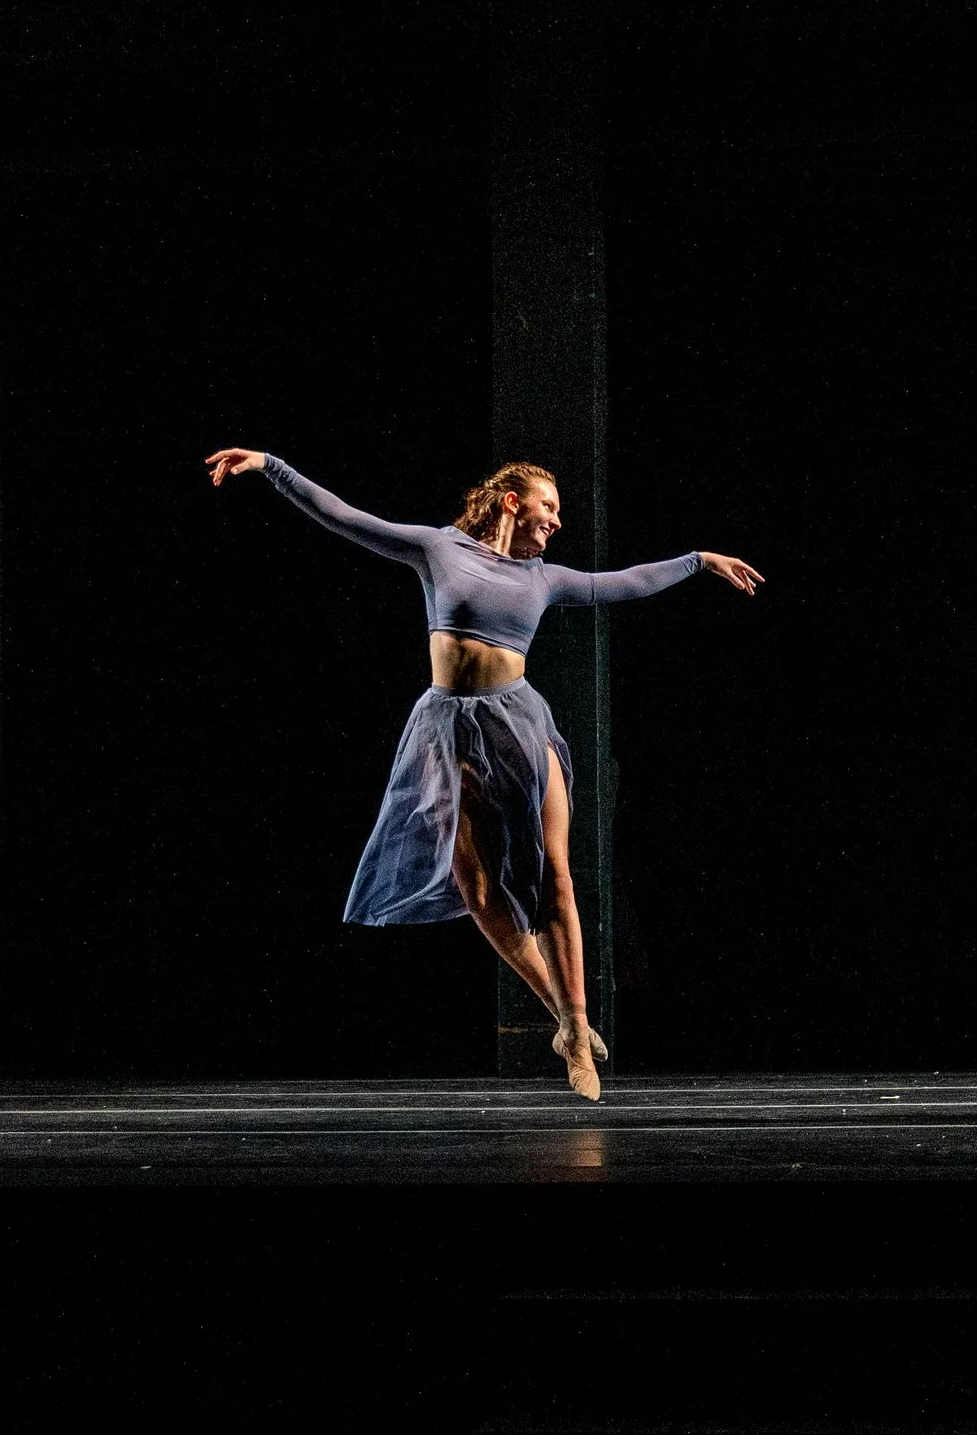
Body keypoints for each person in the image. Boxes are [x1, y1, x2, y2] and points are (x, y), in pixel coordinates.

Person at [206, 447, 763, 1100]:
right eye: (549, 506)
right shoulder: (437, 549)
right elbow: (345, 517)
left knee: (554, 873)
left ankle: (577, 1025)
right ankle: (566, 1018)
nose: (557, 521)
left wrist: (699, 560)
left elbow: (625, 582)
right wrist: (270, 465)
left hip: (519, 722)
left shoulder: (543, 579)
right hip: (447, 727)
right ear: (512, 502)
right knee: (475, 888)